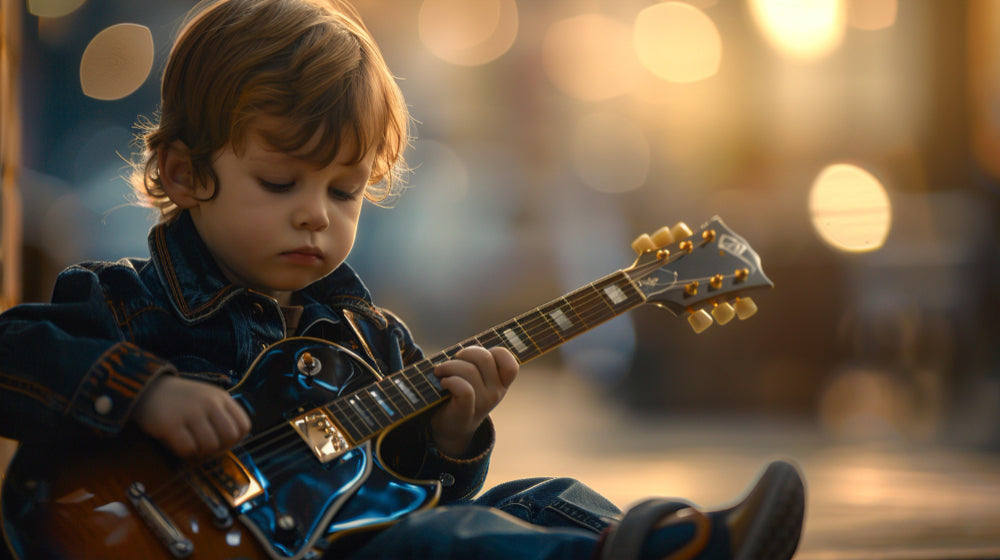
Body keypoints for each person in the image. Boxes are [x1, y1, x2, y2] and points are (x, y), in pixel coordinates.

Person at [0, 0, 805, 558]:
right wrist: (144, 393)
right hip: (167, 535)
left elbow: (412, 489)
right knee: (440, 548)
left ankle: (678, 543)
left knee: (539, 497)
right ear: (182, 173)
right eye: (281, 183)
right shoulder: (125, 301)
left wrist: (454, 436)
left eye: (344, 191)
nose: (316, 215)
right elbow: (13, 354)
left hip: (344, 541)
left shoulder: (370, 339)